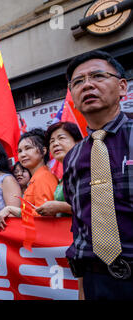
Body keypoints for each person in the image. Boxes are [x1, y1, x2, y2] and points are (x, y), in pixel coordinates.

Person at [62, 50, 132, 299]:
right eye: (78, 82)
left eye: (98, 76)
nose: (87, 85)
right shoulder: (72, 157)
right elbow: (81, 225)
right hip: (96, 281)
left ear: (122, 87)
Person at [0, 129, 58, 231]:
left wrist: (11, 209)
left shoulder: (44, 177)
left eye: (28, 148)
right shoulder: (36, 178)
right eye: (19, 151)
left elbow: (46, 216)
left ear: (44, 151)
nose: (22, 154)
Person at [35, 122, 83, 217]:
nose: (55, 144)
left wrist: (60, 207)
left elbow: (96, 207)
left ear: (78, 142)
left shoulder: (85, 169)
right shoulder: (65, 175)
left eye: (61, 138)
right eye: (51, 141)